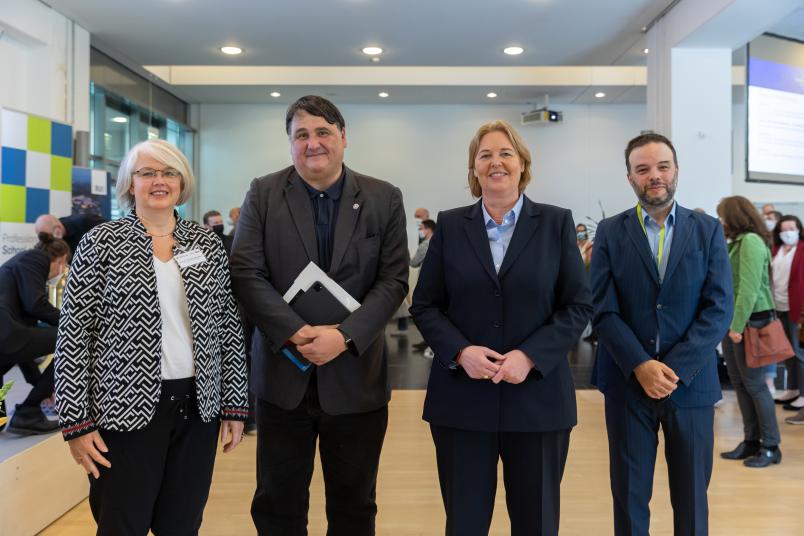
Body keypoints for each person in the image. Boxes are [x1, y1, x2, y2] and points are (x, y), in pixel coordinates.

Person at [230, 95, 408, 536]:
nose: (313, 143)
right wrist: (294, 332)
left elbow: (393, 281)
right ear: (290, 143)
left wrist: (344, 336)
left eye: (323, 132)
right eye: (301, 135)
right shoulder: (263, 193)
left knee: (354, 506)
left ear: (344, 138)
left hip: (355, 379)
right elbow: (246, 272)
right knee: (277, 504)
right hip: (282, 381)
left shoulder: (384, 198)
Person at [54, 139, 249, 534]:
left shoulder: (205, 242)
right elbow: (74, 335)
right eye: (147, 173)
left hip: (198, 407)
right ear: (130, 184)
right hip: (123, 410)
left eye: (169, 172)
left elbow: (227, 327)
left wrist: (235, 405)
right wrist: (76, 423)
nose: (159, 181)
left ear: (182, 182)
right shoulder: (101, 242)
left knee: (182, 524)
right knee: (122, 524)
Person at [411, 120, 592, 536]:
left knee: (537, 522)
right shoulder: (451, 225)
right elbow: (425, 305)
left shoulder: (555, 223)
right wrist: (460, 352)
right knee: (465, 522)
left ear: (522, 165)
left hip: (538, 400)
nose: (496, 162)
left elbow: (578, 304)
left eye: (506, 153)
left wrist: (530, 356)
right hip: (461, 400)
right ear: (473, 169)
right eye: (485, 155)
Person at [591, 133, 733, 535]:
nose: (654, 175)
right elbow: (602, 308)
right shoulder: (609, 231)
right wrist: (640, 365)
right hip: (626, 383)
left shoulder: (707, 230)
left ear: (676, 171)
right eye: (643, 169)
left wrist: (671, 368)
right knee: (630, 495)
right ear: (630, 178)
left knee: (691, 497)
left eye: (662, 166)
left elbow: (719, 307)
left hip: (690, 385)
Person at [716, 195, 782, 467]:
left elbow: (749, 288)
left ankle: (771, 445)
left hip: (749, 321)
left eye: (723, 216)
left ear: (735, 216)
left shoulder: (752, 242)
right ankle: (751, 440)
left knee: (755, 385)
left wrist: (736, 326)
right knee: (741, 384)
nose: (721, 221)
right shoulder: (738, 242)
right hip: (736, 322)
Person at [0, 233, 69, 435]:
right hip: (4, 334)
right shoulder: (35, 258)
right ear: (62, 259)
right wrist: (73, 324)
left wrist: (42, 388)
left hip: (6, 338)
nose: (62, 271)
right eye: (64, 267)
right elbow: (36, 304)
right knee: (74, 340)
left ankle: (28, 414)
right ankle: (28, 413)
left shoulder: (19, 270)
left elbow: (24, 350)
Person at [770, 216, 804, 421]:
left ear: (799, 229)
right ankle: (792, 388)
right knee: (786, 351)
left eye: (792, 228)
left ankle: (803, 393)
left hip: (797, 308)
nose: (788, 232)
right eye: (784, 229)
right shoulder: (776, 250)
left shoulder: (802, 248)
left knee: (797, 351)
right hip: (778, 306)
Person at [35, 213, 107, 256]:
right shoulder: (50, 238)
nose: (49, 243)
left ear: (58, 229)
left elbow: (113, 231)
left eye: (50, 238)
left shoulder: (86, 221)